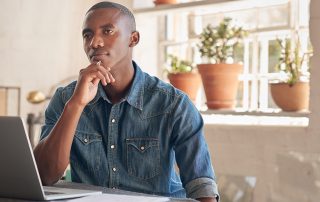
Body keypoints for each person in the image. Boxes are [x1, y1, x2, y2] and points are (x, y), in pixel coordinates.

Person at [34, 1, 219, 202]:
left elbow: (202, 186)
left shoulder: (174, 104)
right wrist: (76, 105)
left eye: (107, 31)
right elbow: (44, 176)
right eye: (87, 35)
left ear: (133, 39)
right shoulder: (65, 99)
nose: (94, 42)